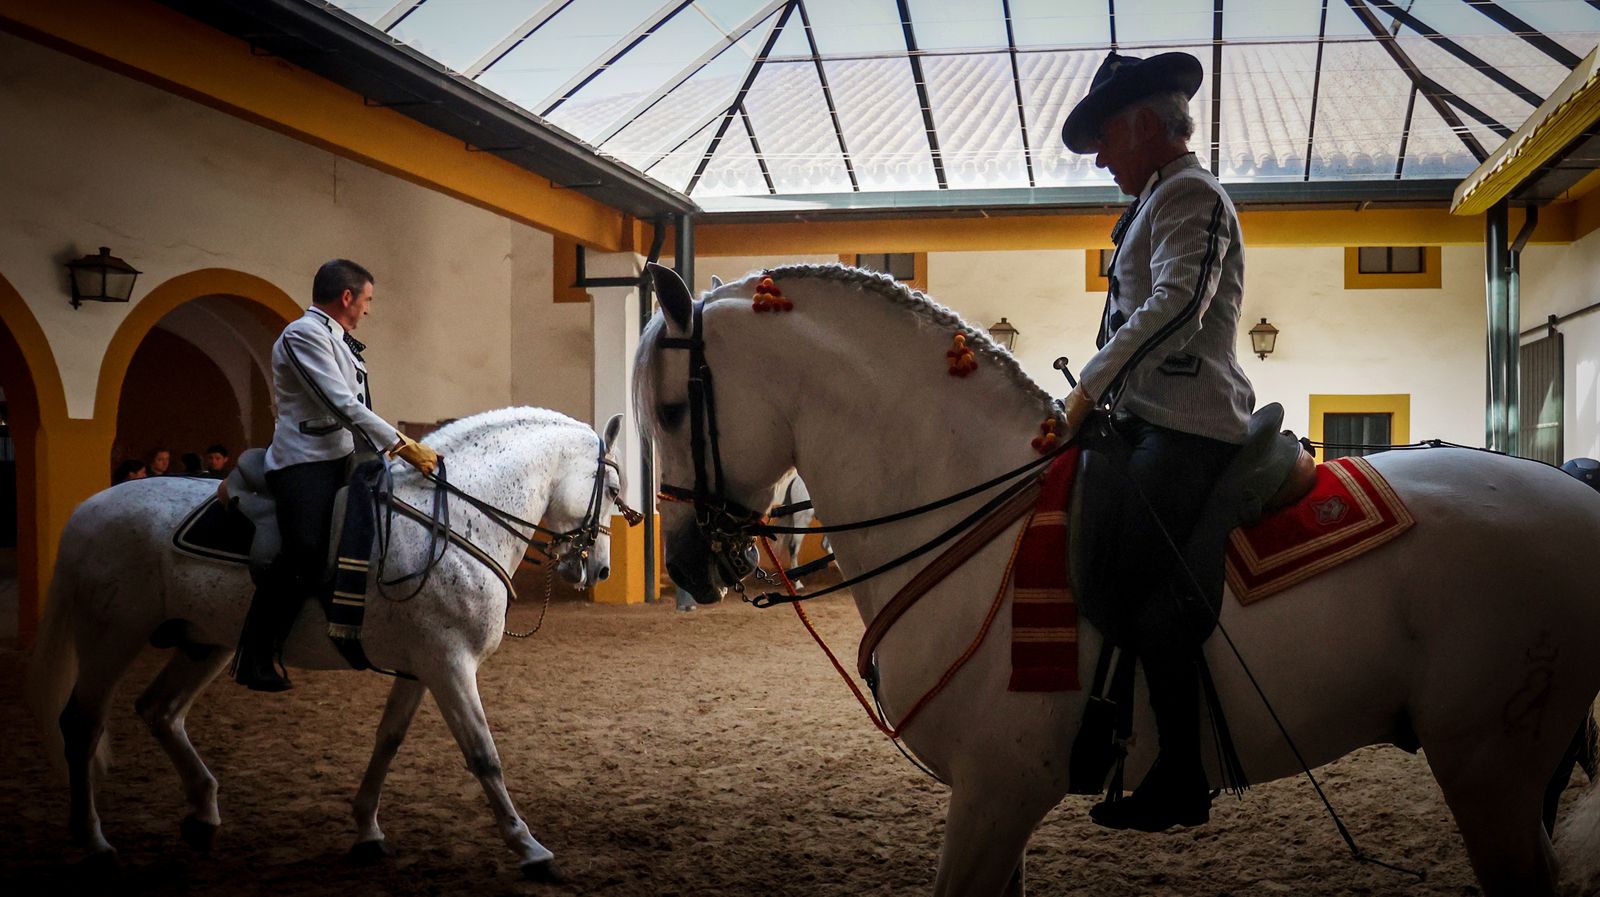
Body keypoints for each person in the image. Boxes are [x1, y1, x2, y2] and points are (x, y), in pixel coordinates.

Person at [1058, 50, 1255, 832]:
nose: (1101, 156)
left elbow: (1176, 304)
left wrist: (1087, 389)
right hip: (1141, 419)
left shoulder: (1192, 196)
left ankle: (1181, 772)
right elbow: (1124, 317)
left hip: (1190, 424)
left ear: (1144, 125)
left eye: (1105, 138)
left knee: (1142, 580)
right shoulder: (1150, 202)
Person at [232, 259, 439, 691]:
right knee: (304, 552)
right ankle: (254, 654)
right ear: (347, 298)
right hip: (304, 462)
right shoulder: (303, 335)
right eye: (367, 300)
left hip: (342, 458)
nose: (368, 309)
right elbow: (340, 404)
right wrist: (402, 445)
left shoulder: (339, 341)